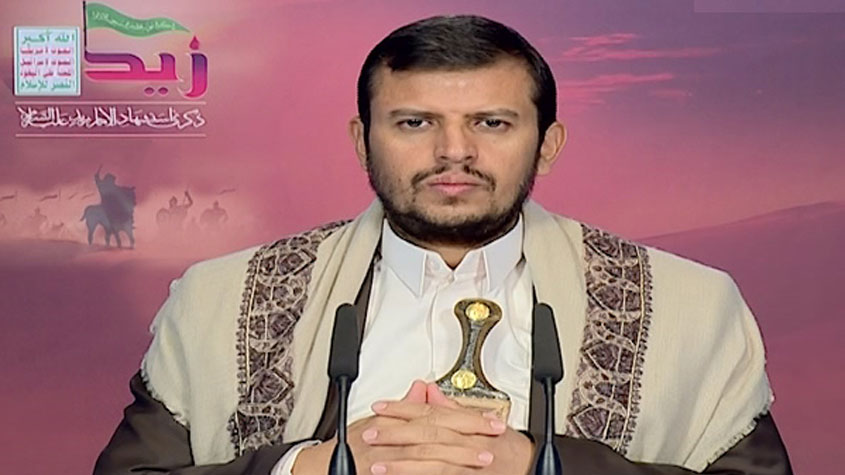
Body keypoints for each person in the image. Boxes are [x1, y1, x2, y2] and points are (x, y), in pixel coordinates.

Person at [95, 15, 792, 475]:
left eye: (491, 122)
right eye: (414, 122)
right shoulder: (220, 300)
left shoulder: (687, 306)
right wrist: (307, 466)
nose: (453, 151)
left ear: (548, 144)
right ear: (361, 140)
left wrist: (542, 465)